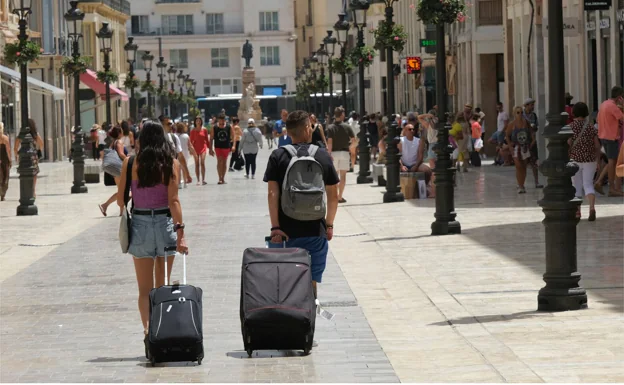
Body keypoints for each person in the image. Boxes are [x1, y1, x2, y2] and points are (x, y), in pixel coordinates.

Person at [264, 110, 339, 345]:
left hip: (286, 232)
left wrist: (275, 227)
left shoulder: (278, 155)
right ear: (308, 129)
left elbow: (272, 193)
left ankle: (288, 329)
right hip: (315, 231)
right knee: (311, 282)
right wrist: (329, 224)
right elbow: (333, 195)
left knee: (286, 281)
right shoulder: (323, 156)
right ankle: (308, 330)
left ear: (287, 131)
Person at [116, 120, 188, 349]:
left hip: (140, 224)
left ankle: (148, 331)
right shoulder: (171, 163)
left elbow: (121, 199)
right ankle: (161, 330)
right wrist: (181, 234)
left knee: (144, 289)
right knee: (162, 286)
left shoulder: (131, 163)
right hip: (165, 223)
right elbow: (173, 200)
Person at [568, 102, 600, 221]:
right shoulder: (590, 127)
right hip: (590, 160)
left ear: (574, 112)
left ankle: (577, 212)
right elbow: (597, 145)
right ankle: (591, 208)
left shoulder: (571, 127)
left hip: (575, 160)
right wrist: (597, 160)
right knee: (588, 184)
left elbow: (569, 144)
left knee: (576, 186)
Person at [596, 86, 624, 197]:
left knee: (612, 161)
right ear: (619, 96)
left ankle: (602, 183)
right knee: (613, 162)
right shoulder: (613, 106)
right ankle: (610, 188)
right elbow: (622, 118)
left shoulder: (604, 104)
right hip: (611, 137)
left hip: (603, 136)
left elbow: (598, 119)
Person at [327, 107, 355, 203]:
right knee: (343, 176)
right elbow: (354, 141)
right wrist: (350, 147)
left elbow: (329, 142)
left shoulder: (330, 127)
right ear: (342, 115)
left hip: (334, 153)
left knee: (334, 177)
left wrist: (328, 153)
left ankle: (334, 196)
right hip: (344, 152)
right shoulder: (347, 127)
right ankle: (340, 196)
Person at [506, 106, 535, 194]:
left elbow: (531, 133)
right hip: (516, 147)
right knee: (518, 166)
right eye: (518, 112)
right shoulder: (512, 124)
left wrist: (532, 142)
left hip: (525, 147)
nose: (520, 114)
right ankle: (520, 185)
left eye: (521, 112)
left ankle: (522, 184)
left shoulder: (526, 123)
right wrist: (510, 146)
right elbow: (507, 135)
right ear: (515, 114)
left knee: (524, 167)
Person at [98, 126, 127, 216]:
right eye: (121, 131)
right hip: (120, 169)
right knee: (124, 190)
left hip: (115, 169)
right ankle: (106, 205)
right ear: (119, 133)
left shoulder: (112, 142)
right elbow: (121, 154)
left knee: (122, 190)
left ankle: (121, 211)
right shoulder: (119, 142)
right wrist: (129, 159)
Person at [14, 118, 44, 198]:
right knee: (34, 173)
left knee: (24, 172)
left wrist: (16, 155)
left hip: (23, 156)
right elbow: (41, 144)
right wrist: (37, 150)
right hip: (33, 155)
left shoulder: (21, 134)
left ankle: (25, 190)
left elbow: (15, 147)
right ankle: (33, 190)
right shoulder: (35, 134)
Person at [160, 115, 192, 188]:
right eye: (168, 124)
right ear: (161, 125)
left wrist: (187, 173)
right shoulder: (154, 139)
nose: (171, 125)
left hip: (172, 174)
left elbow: (180, 155)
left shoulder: (174, 137)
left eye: (171, 123)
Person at [398, 123, 433, 190]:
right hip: (404, 164)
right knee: (394, 169)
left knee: (427, 170)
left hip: (415, 164)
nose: (412, 131)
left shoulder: (419, 141)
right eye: (409, 129)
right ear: (405, 131)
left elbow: (420, 156)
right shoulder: (400, 141)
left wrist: (416, 166)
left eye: (413, 129)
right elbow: (397, 156)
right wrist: (402, 166)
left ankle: (423, 188)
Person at [523, 98, 544, 188]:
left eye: (533, 104)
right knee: (522, 163)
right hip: (523, 142)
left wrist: (534, 127)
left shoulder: (534, 116)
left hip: (532, 142)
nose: (533, 106)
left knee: (534, 162)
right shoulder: (521, 115)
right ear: (526, 106)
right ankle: (521, 183)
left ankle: (536, 182)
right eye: (531, 105)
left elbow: (536, 128)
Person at [209, 113, 235, 184]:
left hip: (226, 146)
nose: (222, 121)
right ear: (218, 120)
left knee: (224, 162)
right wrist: (210, 149)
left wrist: (233, 146)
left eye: (223, 120)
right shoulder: (214, 127)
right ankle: (220, 178)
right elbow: (211, 138)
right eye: (220, 120)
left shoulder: (228, 126)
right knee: (219, 161)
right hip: (218, 147)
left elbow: (233, 136)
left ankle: (223, 177)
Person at [189, 117, 210, 185]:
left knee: (202, 162)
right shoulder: (193, 131)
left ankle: (203, 179)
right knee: (197, 164)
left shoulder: (204, 130)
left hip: (203, 147)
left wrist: (210, 149)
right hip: (195, 149)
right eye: (197, 121)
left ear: (201, 122)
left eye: (199, 121)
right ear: (195, 122)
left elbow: (207, 140)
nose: (198, 122)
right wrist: (190, 150)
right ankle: (198, 180)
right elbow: (190, 141)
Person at [176, 122, 196, 188]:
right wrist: (194, 153)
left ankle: (179, 183)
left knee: (178, 169)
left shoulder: (174, 135)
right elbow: (190, 146)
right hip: (185, 154)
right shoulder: (186, 136)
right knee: (184, 168)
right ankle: (185, 182)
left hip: (177, 154)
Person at [0, 122, 11, 201]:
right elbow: (8, 150)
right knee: (6, 177)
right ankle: (3, 194)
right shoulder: (5, 138)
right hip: (5, 159)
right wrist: (10, 160)